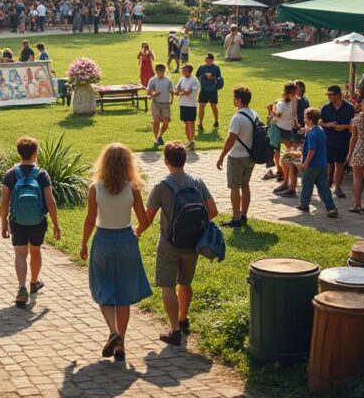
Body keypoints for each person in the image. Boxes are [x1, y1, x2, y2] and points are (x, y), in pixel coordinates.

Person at [80, 143, 151, 362]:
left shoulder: (95, 188)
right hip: (126, 240)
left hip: (103, 240)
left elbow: (90, 220)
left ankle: (112, 331)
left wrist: (83, 244)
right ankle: (121, 345)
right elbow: (144, 220)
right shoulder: (133, 188)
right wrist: (136, 233)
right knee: (123, 295)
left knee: (103, 288)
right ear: (128, 163)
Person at [145, 142, 219, 345]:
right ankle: (183, 319)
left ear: (166, 161)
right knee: (185, 282)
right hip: (193, 243)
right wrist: (195, 227)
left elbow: (147, 219)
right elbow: (213, 211)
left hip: (169, 243)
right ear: (185, 160)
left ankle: (175, 331)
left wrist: (137, 231)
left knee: (167, 285)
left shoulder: (161, 186)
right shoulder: (197, 181)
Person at [0, 136, 61, 307]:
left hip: (17, 221)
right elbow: (50, 201)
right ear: (35, 153)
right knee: (35, 251)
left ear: (19, 153)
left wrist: (4, 223)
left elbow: (4, 201)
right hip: (38, 222)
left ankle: (21, 288)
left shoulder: (10, 174)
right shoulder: (42, 175)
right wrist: (56, 224)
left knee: (20, 254)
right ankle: (34, 282)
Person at [217, 86, 260, 227]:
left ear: (239, 100)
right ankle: (244, 215)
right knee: (245, 185)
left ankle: (236, 218)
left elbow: (231, 139)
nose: (233, 100)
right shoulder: (254, 114)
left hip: (237, 157)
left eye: (234, 97)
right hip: (251, 156)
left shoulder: (237, 118)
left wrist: (222, 156)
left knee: (234, 187)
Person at [296, 108, 339, 216]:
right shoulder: (320, 130)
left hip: (312, 165)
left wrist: (305, 164)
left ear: (310, 119)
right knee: (323, 187)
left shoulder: (312, 134)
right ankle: (331, 207)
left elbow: (312, 150)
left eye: (305, 117)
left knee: (307, 185)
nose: (304, 119)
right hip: (322, 164)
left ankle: (304, 204)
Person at [319, 85, 355, 198]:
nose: (328, 97)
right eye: (328, 94)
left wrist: (344, 126)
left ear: (338, 95)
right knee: (328, 163)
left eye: (331, 94)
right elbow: (319, 122)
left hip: (343, 140)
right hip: (328, 140)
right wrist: (327, 125)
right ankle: (327, 182)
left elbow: (354, 125)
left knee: (340, 164)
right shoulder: (325, 108)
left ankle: (337, 186)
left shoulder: (349, 108)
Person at [271, 83, 300, 195]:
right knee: (287, 155)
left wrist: (272, 109)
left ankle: (284, 178)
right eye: (294, 93)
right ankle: (285, 178)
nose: (295, 95)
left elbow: (278, 115)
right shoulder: (292, 102)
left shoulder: (282, 103)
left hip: (280, 129)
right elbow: (293, 115)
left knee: (284, 156)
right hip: (288, 129)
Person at [147, 64, 174, 147]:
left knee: (166, 122)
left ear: (164, 71)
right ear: (156, 71)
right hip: (156, 103)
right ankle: (156, 139)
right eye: (158, 71)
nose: (160, 73)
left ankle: (160, 135)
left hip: (165, 104)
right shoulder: (152, 80)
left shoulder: (168, 80)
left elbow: (171, 91)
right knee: (156, 121)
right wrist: (154, 94)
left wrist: (172, 99)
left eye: (162, 71)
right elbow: (149, 92)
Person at [195, 53, 222, 131]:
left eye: (207, 58)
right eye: (205, 58)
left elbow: (219, 79)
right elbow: (197, 76)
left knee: (213, 106)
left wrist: (212, 78)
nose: (205, 60)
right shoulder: (201, 67)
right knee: (201, 106)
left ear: (211, 60)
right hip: (203, 90)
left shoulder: (216, 68)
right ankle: (200, 124)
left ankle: (216, 121)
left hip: (213, 90)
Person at [175, 64, 200, 149]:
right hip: (183, 104)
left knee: (191, 123)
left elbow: (189, 91)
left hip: (191, 105)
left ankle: (192, 140)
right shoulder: (181, 79)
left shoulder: (194, 80)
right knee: (186, 122)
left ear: (189, 71)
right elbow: (177, 90)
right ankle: (189, 140)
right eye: (182, 70)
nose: (183, 72)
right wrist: (180, 91)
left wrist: (181, 91)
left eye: (184, 70)